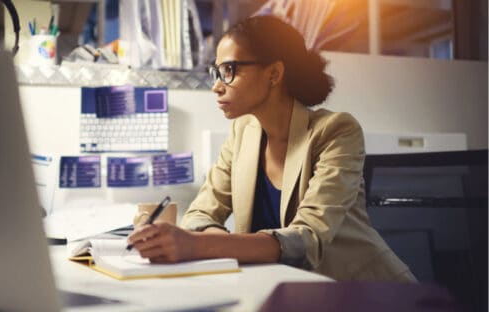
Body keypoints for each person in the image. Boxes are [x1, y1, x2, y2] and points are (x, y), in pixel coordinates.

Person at [127, 15, 416, 281]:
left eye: (229, 70)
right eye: (216, 71)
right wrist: (208, 242)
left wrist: (199, 244)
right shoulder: (243, 132)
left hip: (366, 293)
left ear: (274, 74)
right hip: (286, 291)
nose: (217, 86)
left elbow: (307, 239)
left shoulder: (337, 131)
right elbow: (200, 213)